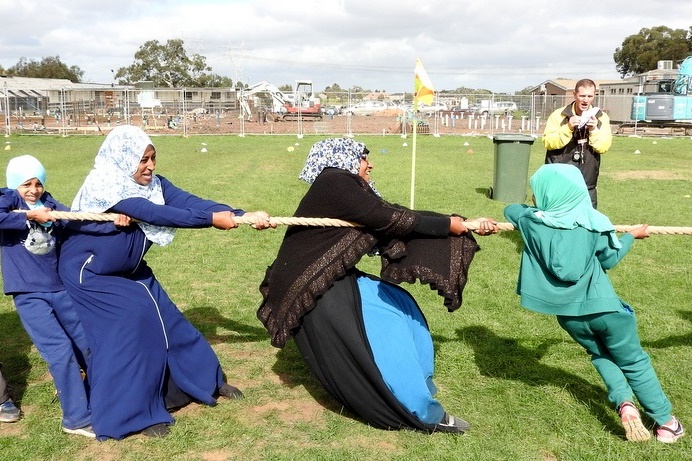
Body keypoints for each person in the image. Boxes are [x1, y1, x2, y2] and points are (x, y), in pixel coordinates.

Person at [258, 138, 498, 434]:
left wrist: (460, 222)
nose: (369, 163)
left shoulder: (344, 185)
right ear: (341, 158)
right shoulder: (335, 181)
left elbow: (393, 212)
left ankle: (417, 384)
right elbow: (386, 218)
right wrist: (450, 225)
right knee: (389, 328)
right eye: (362, 157)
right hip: (309, 284)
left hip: (330, 275)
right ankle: (417, 410)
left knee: (401, 305)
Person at [57, 125, 275, 441]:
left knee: (169, 321)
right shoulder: (104, 184)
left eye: (153, 158)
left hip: (130, 270)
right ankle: (133, 414)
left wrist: (240, 215)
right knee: (131, 328)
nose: (150, 166)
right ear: (124, 158)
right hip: (90, 274)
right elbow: (155, 213)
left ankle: (205, 381)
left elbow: (189, 201)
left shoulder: (154, 185)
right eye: (143, 160)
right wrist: (212, 221)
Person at [504, 163, 684, 444]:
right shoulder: (594, 223)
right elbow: (610, 259)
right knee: (634, 362)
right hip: (605, 309)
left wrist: (533, 209)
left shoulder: (530, 222)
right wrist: (630, 236)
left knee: (600, 354)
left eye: (535, 193)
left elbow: (511, 210)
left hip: (569, 316)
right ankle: (666, 423)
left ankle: (625, 404)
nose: (532, 199)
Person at [0, 155, 96, 437]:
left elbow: (79, 222)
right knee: (60, 352)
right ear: (14, 185)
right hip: (29, 295)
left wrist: (115, 219)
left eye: (38, 183)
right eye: (26, 184)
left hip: (61, 290)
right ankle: (76, 419)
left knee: (88, 344)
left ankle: (103, 398)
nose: (33, 190)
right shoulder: (8, 202)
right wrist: (31, 215)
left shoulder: (51, 204)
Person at [543, 79, 612, 208]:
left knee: (587, 222)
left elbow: (603, 147)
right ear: (575, 95)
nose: (586, 100)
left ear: (594, 96)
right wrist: (568, 128)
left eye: (590, 96)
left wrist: (594, 130)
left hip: (587, 181)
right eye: (582, 96)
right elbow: (548, 142)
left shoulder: (601, 118)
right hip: (560, 179)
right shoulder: (559, 115)